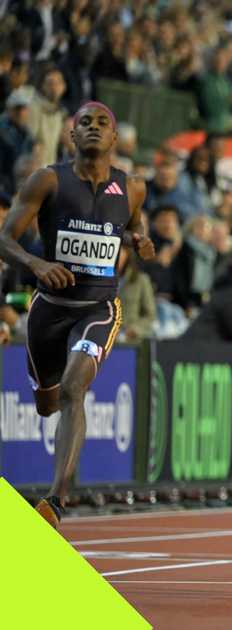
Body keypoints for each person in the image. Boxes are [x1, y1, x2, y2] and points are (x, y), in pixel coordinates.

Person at [0, 101, 154, 529]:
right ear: (72, 135)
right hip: (49, 309)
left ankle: (55, 500)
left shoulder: (133, 187)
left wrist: (139, 240)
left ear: (114, 137)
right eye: (83, 122)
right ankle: (45, 395)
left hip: (99, 307)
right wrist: (36, 265)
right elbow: (4, 238)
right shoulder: (47, 180)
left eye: (102, 122)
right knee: (48, 402)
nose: (92, 127)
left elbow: (131, 223)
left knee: (74, 387)